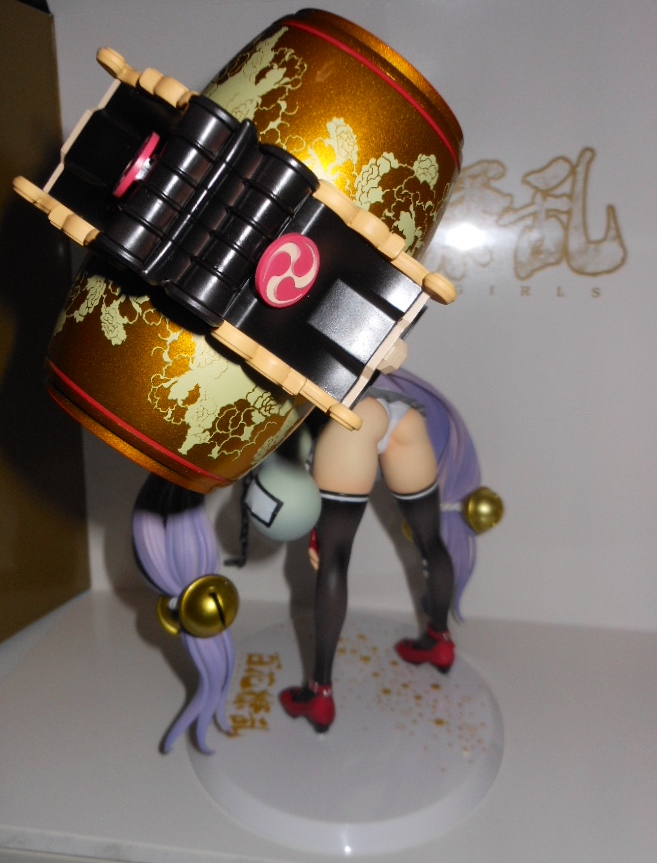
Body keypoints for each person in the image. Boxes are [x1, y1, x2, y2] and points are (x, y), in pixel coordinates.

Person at [279, 369, 482, 732]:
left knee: (333, 559)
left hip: (352, 418)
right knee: (431, 540)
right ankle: (440, 640)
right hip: (401, 413)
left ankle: (318, 692)